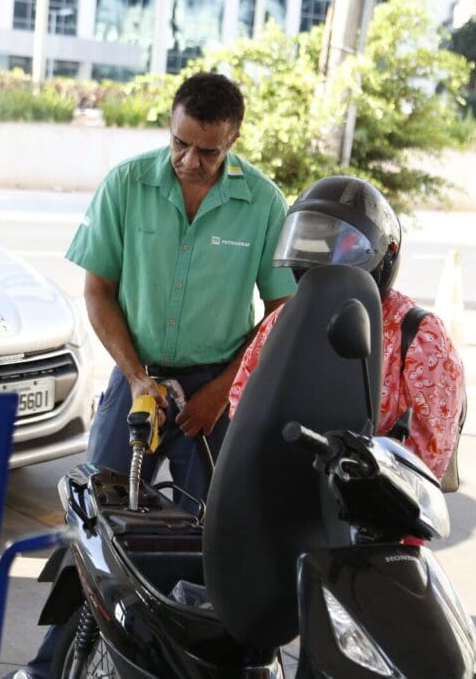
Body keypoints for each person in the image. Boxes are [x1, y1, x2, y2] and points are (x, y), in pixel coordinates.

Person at [16, 72, 296, 679]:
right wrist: (138, 378)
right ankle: (49, 666)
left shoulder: (265, 203)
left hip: (215, 385)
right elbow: (98, 292)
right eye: (180, 143)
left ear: (235, 140)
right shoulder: (127, 184)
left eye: (208, 150)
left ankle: (193, 662)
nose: (190, 161)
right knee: (94, 528)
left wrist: (220, 393)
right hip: (135, 377)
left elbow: (279, 314)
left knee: (214, 534)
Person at [229, 175, 466, 479]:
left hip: (374, 505)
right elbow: (242, 404)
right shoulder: (286, 320)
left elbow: (429, 455)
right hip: (287, 490)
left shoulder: (419, 335)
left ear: (385, 256)